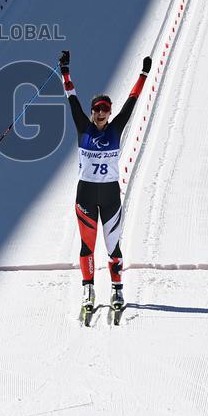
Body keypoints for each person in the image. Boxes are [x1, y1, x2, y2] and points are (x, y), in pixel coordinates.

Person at [59, 50, 151, 317]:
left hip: (110, 195)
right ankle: (88, 289)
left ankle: (117, 288)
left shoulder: (115, 128)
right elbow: (71, 96)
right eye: (97, 109)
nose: (101, 114)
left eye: (105, 110)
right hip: (86, 195)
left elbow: (133, 101)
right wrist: (64, 68)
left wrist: (143, 75)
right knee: (87, 247)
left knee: (114, 247)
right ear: (91, 112)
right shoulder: (83, 127)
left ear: (110, 114)